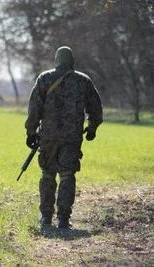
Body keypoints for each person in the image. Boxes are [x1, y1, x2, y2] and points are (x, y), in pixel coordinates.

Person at [24, 46, 103, 229]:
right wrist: (91, 128)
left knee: (47, 174)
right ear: (72, 60)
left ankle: (45, 217)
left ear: (56, 60)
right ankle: (64, 219)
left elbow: (34, 108)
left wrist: (31, 132)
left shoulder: (44, 78)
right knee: (67, 175)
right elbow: (95, 109)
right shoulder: (84, 81)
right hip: (72, 137)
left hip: (48, 137)